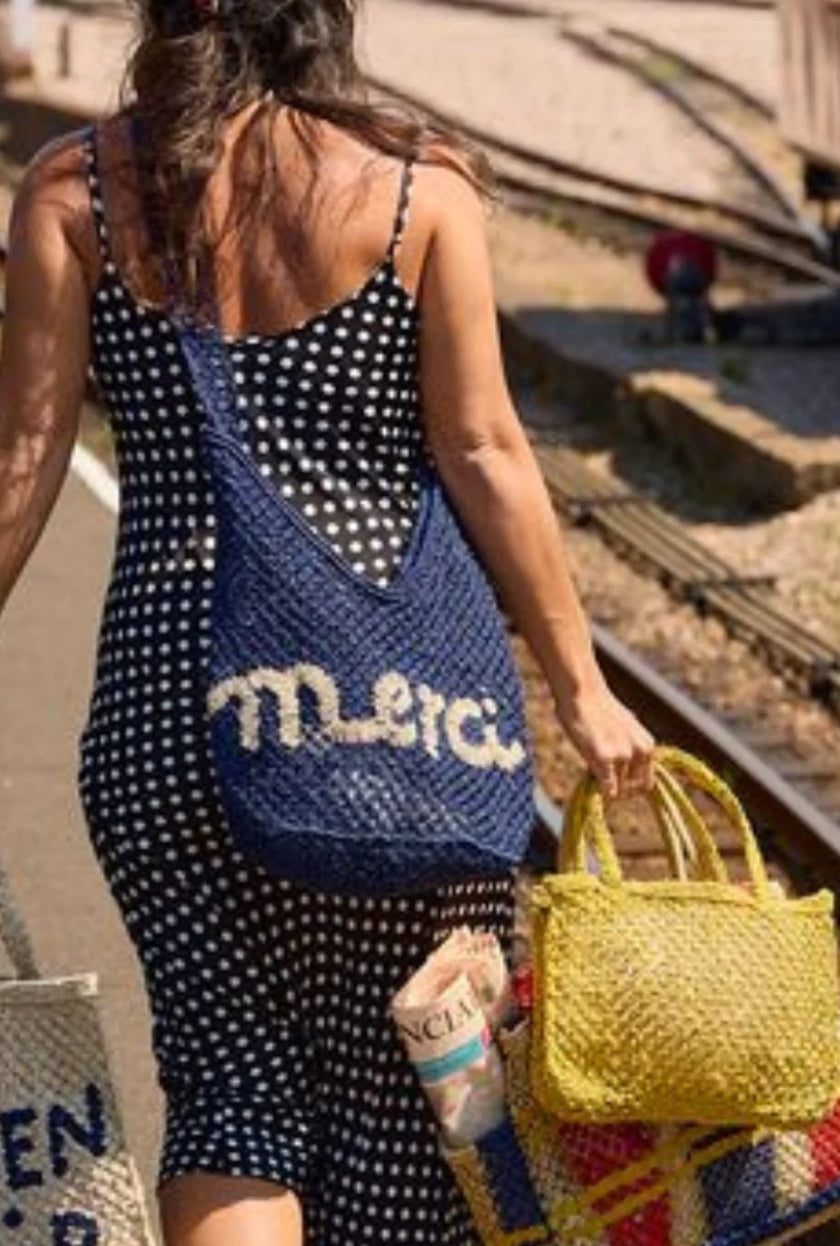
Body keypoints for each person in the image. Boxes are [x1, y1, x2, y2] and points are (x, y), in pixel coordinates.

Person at [0, 0, 655, 1242]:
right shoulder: (415, 190)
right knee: (415, 1118)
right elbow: (483, 449)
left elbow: (23, 460)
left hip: (174, 715)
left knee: (230, 1096)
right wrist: (581, 686)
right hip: (402, 722)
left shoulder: (76, 191)